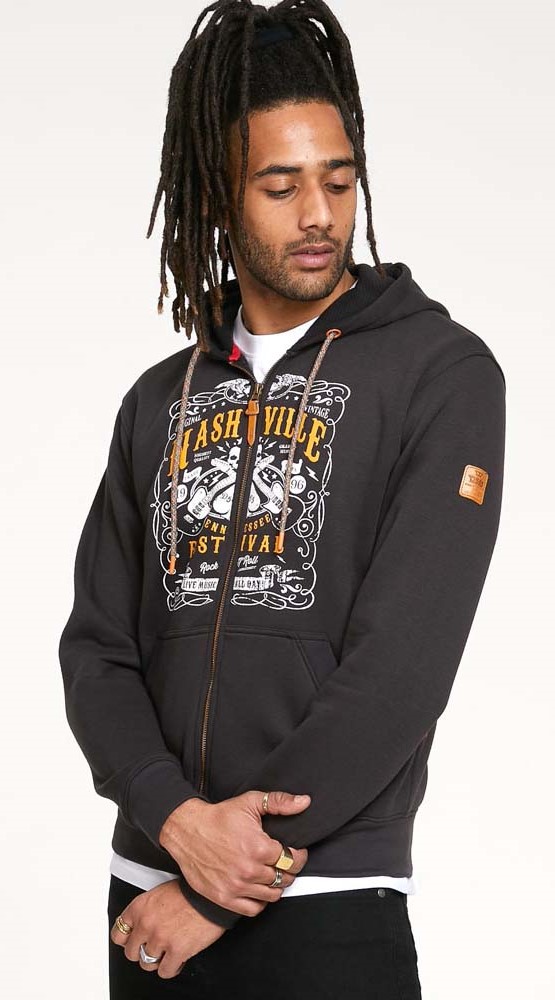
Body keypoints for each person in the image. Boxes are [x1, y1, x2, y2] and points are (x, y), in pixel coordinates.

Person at [58, 1, 506, 996]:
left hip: (328, 905)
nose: (319, 215)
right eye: (279, 185)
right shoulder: (159, 399)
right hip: (148, 907)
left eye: (338, 181)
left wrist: (224, 886)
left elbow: (402, 668)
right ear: (218, 196)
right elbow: (96, 650)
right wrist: (175, 822)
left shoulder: (441, 374)